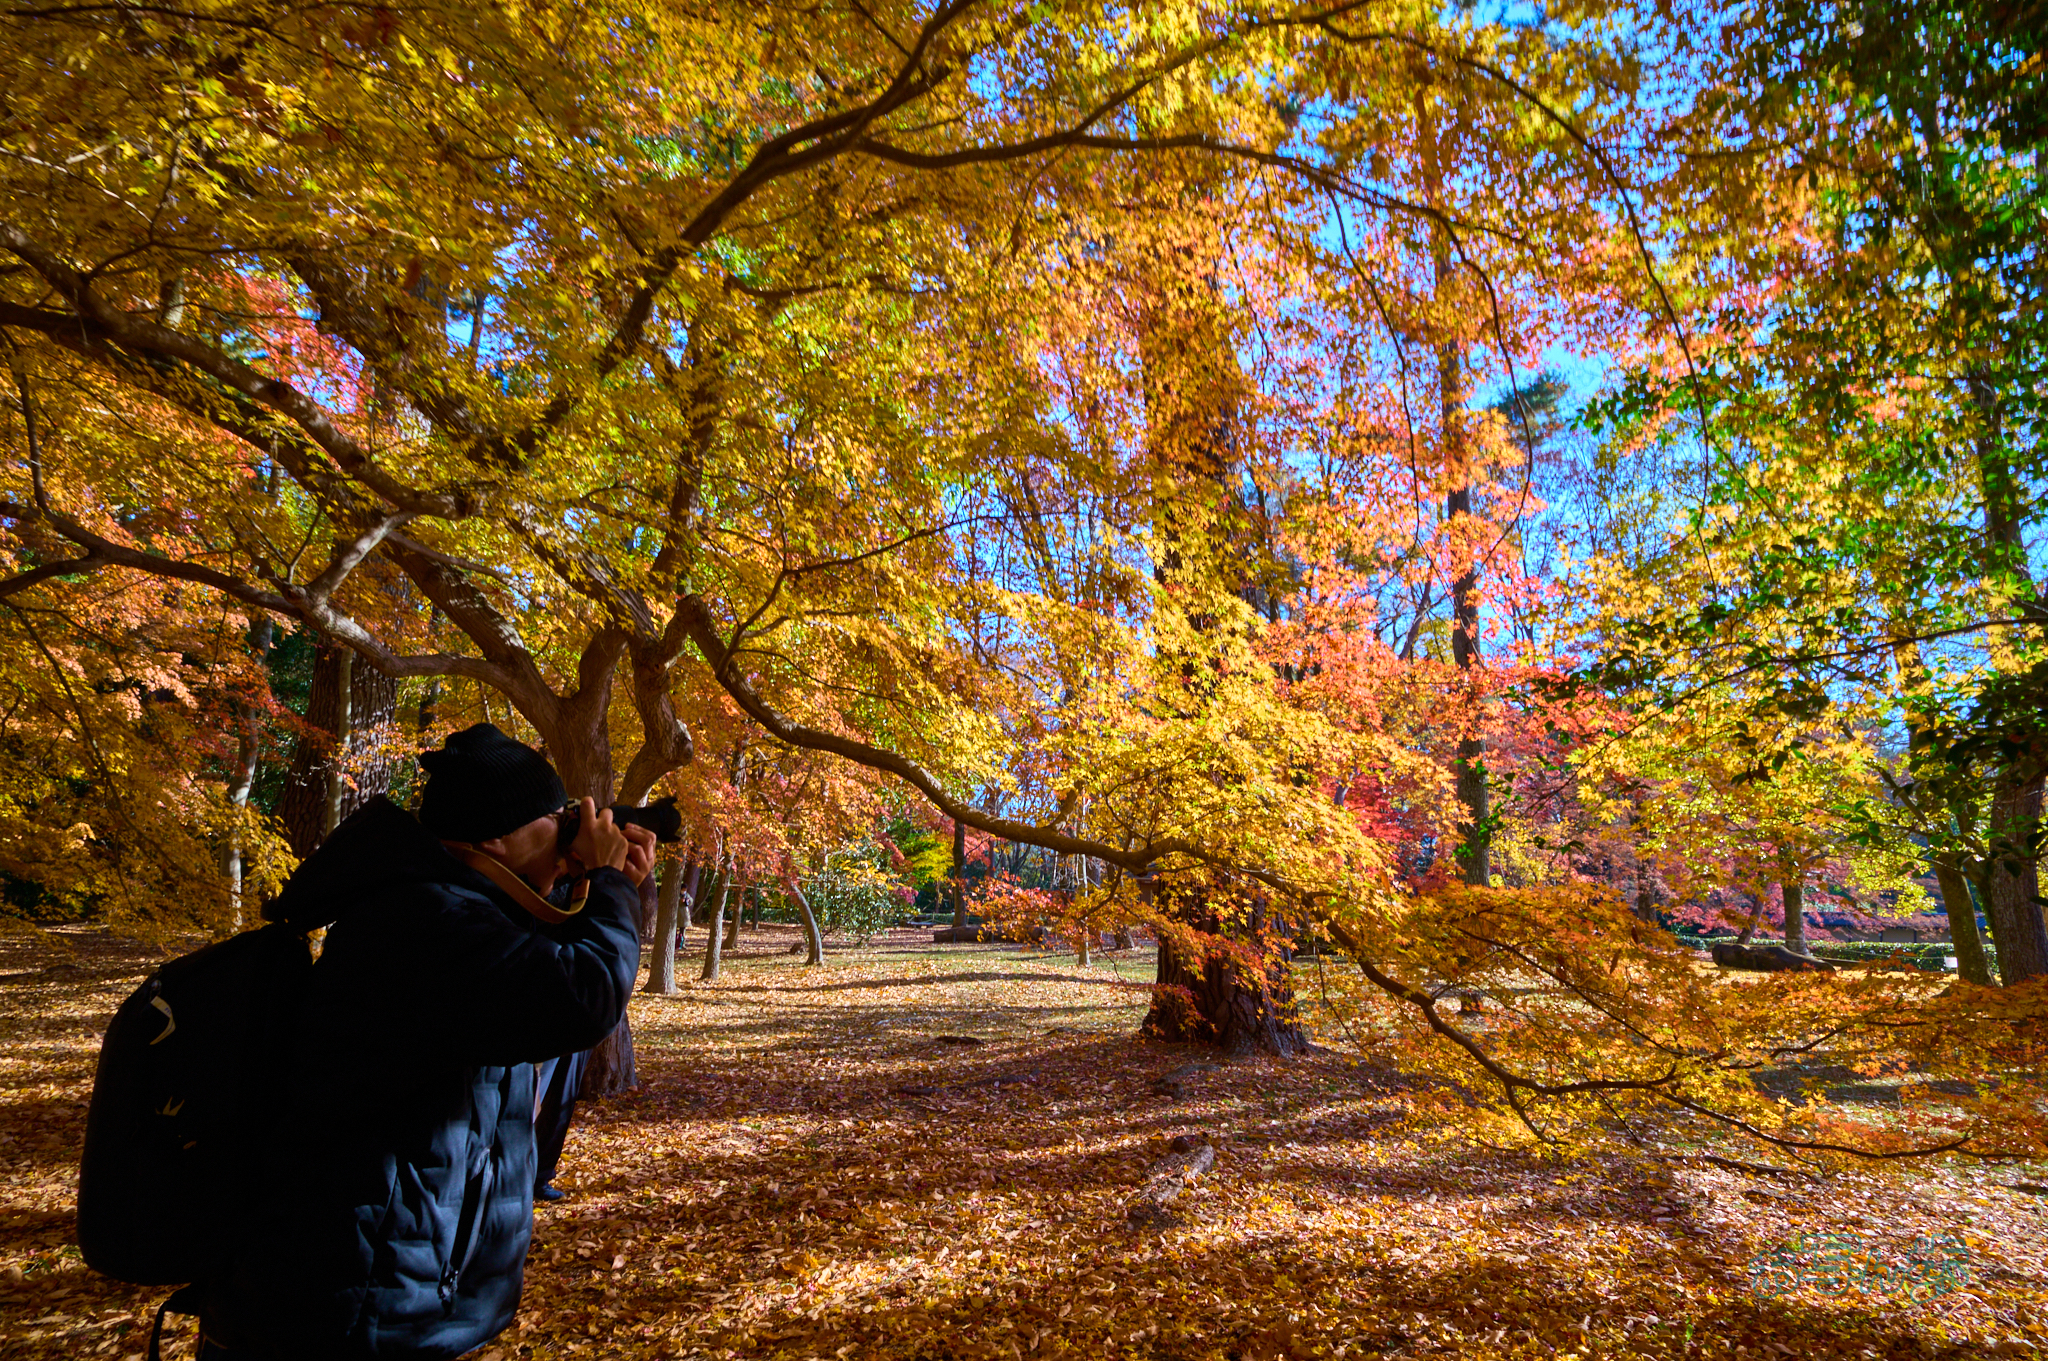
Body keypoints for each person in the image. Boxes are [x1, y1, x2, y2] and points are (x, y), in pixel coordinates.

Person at [195, 723, 656, 1360]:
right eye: (552, 819)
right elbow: (585, 997)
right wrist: (605, 882)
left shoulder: (450, 914)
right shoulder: (426, 922)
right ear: (494, 836)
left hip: (379, 1297)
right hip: (343, 1312)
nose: (566, 834)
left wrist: (605, 882)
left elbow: (567, 961)